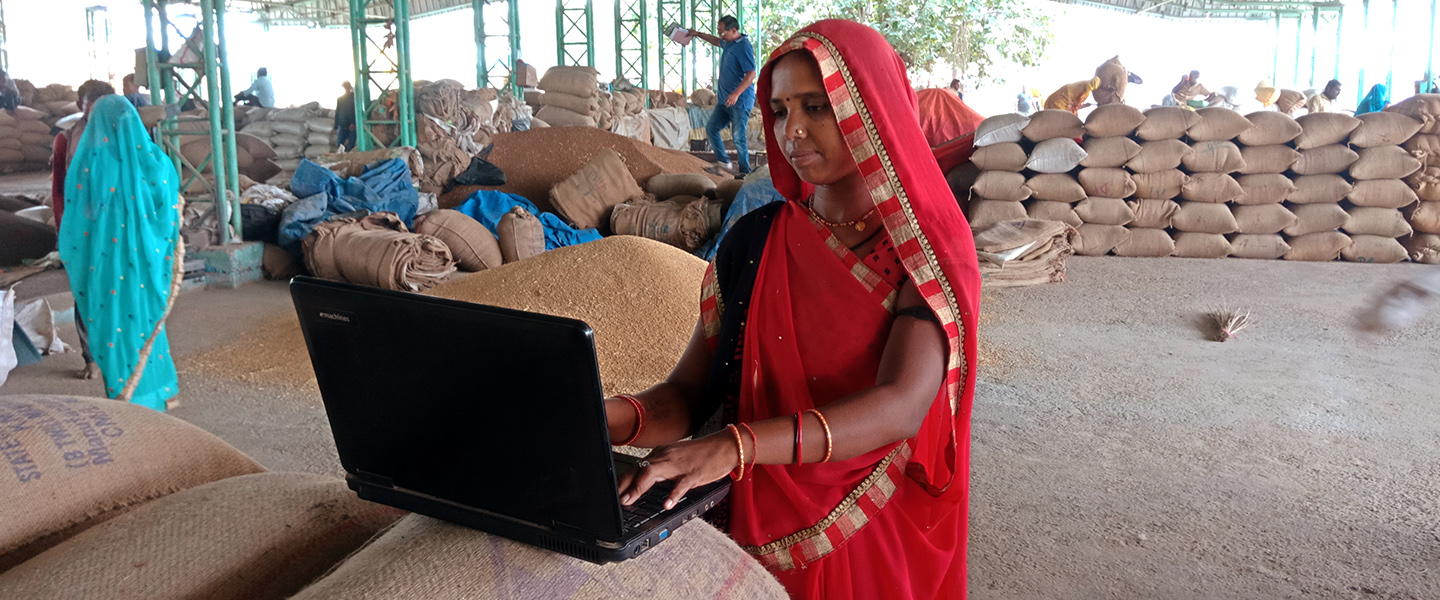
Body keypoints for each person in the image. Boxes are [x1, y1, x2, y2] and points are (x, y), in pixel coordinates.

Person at [604, 19, 979, 600]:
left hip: (864, 527)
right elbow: (688, 398)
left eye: (816, 107)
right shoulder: (754, 241)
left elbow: (902, 406)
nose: (792, 131)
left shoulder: (920, 254)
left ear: (871, 107)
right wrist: (598, 419)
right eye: (779, 111)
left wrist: (737, 446)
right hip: (741, 517)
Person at [59, 95, 182, 411]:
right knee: (142, 318)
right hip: (143, 263)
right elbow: (168, 201)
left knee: (112, 323)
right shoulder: (154, 162)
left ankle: (122, 395)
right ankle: (151, 396)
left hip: (104, 264)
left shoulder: (89, 162)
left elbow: (79, 216)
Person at [51, 80, 116, 381]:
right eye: (96, 106)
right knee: (85, 293)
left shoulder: (122, 136)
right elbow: (59, 191)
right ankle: (91, 357)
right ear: (81, 106)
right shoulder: (66, 141)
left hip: (117, 225)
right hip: (82, 228)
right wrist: (65, 231)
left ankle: (121, 351)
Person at [688, 16, 757, 176]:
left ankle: (745, 172)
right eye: (719, 32)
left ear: (734, 30)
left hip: (739, 101)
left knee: (738, 137)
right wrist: (698, 34)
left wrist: (736, 94)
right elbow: (716, 41)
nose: (720, 35)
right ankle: (724, 163)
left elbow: (751, 73)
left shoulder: (743, 46)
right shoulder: (729, 43)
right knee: (712, 128)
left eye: (723, 32)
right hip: (725, 100)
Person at [335, 81, 357, 151]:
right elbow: (338, 112)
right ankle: (341, 156)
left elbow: (356, 111)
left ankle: (349, 156)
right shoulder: (340, 99)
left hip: (351, 124)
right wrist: (336, 126)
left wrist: (353, 123)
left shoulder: (355, 98)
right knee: (339, 143)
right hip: (342, 123)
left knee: (351, 143)